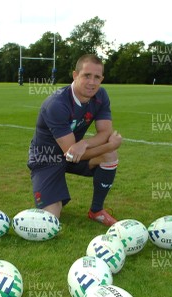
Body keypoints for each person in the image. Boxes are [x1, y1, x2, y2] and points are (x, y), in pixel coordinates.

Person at [27, 54, 122, 226]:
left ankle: (96, 211)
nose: (92, 82)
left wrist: (84, 143)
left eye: (97, 77)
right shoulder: (57, 104)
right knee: (50, 221)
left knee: (110, 155)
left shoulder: (101, 95)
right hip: (46, 158)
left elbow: (105, 131)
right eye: (87, 75)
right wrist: (110, 145)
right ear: (75, 75)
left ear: (102, 79)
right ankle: (52, 198)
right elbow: (71, 154)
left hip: (74, 150)